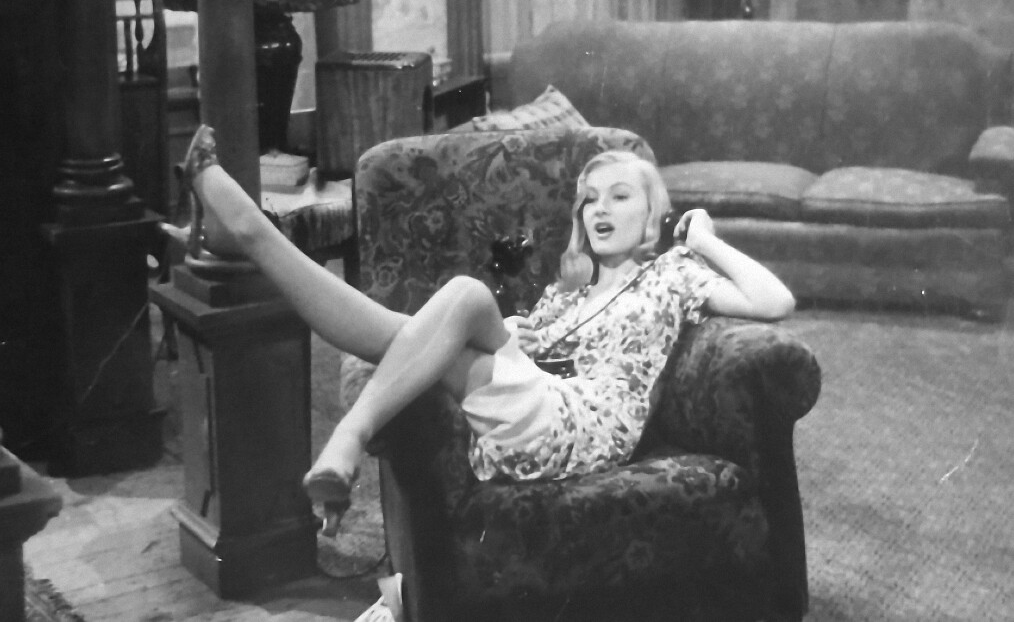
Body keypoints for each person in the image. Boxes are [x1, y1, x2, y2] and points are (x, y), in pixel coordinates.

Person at [172, 126, 795, 537]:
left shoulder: (672, 274)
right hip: (534, 405)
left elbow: (775, 301)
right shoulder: (568, 290)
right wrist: (519, 333)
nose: (599, 210)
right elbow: (529, 351)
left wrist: (706, 240)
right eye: (589, 199)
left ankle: (348, 434)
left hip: (580, 425)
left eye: (620, 196)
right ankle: (253, 235)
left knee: (464, 298)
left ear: (655, 213)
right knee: (401, 335)